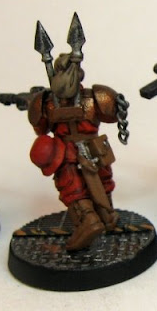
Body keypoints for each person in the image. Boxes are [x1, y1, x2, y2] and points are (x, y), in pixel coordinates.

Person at [27, 50, 123, 251]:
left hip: (71, 152)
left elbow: (41, 129)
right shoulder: (94, 97)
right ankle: (101, 217)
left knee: (75, 186)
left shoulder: (48, 102)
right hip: (90, 149)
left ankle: (92, 220)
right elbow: (114, 114)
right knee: (89, 183)